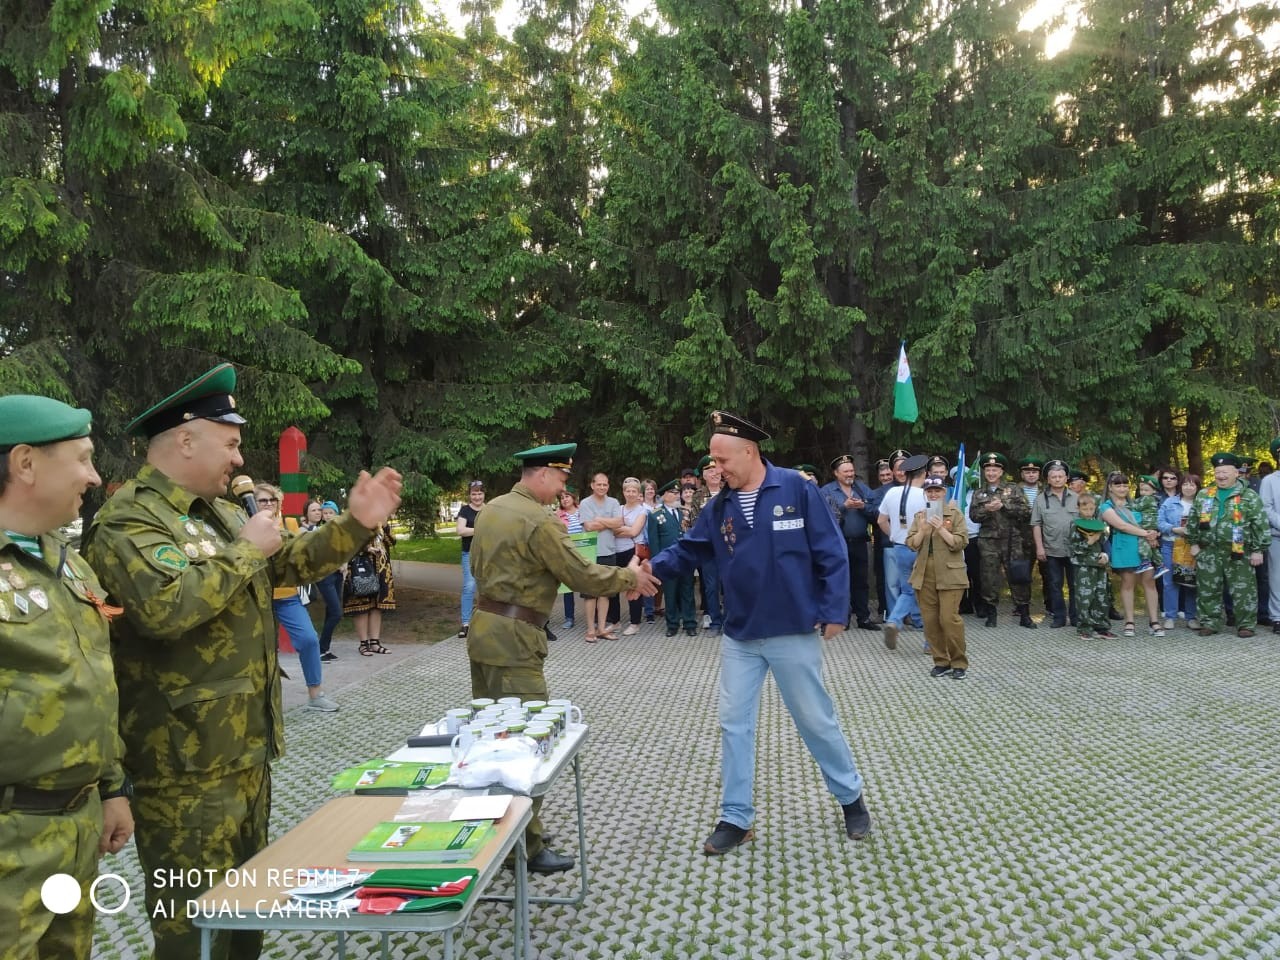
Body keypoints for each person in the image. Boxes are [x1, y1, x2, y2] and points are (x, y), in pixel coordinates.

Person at [84, 362, 402, 960]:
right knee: (191, 927)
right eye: (229, 444)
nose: (238, 459)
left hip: (244, 752)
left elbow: (289, 561)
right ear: (185, 440)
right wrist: (244, 552)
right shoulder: (130, 520)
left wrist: (356, 523)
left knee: (245, 913)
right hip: (183, 767)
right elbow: (163, 610)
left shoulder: (220, 512)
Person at [647, 411, 871, 854]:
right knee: (734, 724)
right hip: (741, 635)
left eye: (722, 460)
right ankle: (736, 817)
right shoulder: (719, 507)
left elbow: (831, 550)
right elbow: (688, 550)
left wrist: (835, 610)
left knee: (815, 720)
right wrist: (645, 572)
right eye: (712, 461)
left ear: (749, 452)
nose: (715, 469)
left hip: (791, 630)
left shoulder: (796, 488)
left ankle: (851, 799)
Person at [467, 443, 659, 872]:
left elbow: (478, 569)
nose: (561, 490)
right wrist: (630, 576)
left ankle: (509, 828)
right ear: (540, 474)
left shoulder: (492, 509)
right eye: (559, 479)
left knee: (492, 737)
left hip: (484, 630)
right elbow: (581, 574)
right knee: (524, 742)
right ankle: (525, 849)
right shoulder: (538, 521)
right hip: (515, 639)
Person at [0, 394, 134, 960]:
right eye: (82, 458)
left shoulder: (66, 560)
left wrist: (110, 789)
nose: (94, 476)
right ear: (26, 463)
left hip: (76, 830)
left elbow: (92, 681)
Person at [256, 482, 339, 712]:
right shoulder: (243, 526)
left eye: (273, 500)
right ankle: (261, 703)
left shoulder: (289, 524)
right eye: (263, 500)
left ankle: (316, 695)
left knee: (309, 639)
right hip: (257, 597)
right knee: (261, 649)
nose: (268, 504)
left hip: (287, 596)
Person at [1185, 452, 1269, 638]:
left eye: (1225, 472)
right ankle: (1209, 622)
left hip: (1239, 551)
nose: (1221, 476)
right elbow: (1193, 520)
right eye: (1218, 472)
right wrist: (1193, 543)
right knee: (1207, 588)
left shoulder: (1249, 496)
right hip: (1208, 550)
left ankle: (1245, 624)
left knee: (1243, 589)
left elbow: (1260, 524)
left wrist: (1258, 550)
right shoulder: (1204, 494)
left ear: (1236, 473)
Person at [906, 476, 970, 678]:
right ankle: (941, 661)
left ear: (944, 492)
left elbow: (960, 543)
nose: (933, 494)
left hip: (950, 574)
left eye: (937, 490)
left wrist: (941, 529)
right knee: (930, 621)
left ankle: (959, 663)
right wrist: (923, 531)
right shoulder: (920, 516)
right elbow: (911, 544)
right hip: (925, 574)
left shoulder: (954, 514)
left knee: (949, 619)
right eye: (930, 491)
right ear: (925, 493)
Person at [970, 452, 1035, 628]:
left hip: (1012, 540)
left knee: (1018, 576)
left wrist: (1004, 506)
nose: (991, 473)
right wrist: (987, 509)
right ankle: (991, 614)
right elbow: (973, 516)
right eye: (988, 470)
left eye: (995, 470)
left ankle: (1024, 614)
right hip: (988, 542)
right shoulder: (979, 493)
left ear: (1001, 472)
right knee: (989, 578)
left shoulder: (1013, 489)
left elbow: (1025, 512)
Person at [1098, 472, 1164, 638]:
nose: (1122, 488)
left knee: (1149, 583)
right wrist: (1147, 534)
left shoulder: (1136, 503)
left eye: (1125, 485)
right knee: (1128, 583)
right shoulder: (1106, 507)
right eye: (1118, 485)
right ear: (1110, 487)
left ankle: (1154, 621)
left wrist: (1154, 532)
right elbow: (1122, 526)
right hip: (1124, 548)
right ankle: (1129, 622)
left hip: (1144, 547)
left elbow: (1151, 519)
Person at [878, 454, 929, 649]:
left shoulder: (892, 492)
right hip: (922, 549)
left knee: (907, 591)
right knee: (928, 594)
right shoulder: (926, 495)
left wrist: (893, 535)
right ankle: (930, 642)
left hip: (900, 547)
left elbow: (881, 520)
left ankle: (894, 620)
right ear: (924, 474)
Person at [821, 454, 877, 629]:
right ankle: (841, 619)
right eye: (845, 471)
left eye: (851, 470)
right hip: (838, 544)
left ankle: (863, 618)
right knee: (840, 582)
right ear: (836, 473)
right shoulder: (827, 491)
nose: (850, 474)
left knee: (861, 582)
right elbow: (823, 516)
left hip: (859, 542)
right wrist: (844, 506)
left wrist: (863, 507)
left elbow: (877, 511)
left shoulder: (862, 488)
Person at [1031, 459, 1079, 628]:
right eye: (1054, 477)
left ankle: (1075, 617)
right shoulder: (1040, 500)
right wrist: (1039, 548)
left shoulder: (1077, 498)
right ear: (1048, 479)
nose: (1057, 479)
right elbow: (1036, 524)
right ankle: (1059, 617)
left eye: (1060, 476)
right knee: (1054, 585)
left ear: (1066, 478)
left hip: (1074, 549)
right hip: (1051, 549)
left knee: (1075, 584)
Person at [647, 479, 697, 636]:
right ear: (664, 495)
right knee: (670, 593)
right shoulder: (655, 515)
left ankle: (690, 623)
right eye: (672, 493)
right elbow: (654, 541)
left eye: (677, 493)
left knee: (687, 591)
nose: (676, 496)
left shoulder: (684, 512)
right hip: (668, 561)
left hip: (685, 559)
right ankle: (672, 624)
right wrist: (657, 563)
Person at [578, 472, 623, 641]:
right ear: (592, 485)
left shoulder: (614, 502)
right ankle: (591, 630)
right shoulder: (585, 503)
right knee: (590, 594)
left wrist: (599, 520)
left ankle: (602, 628)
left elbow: (619, 523)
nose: (602, 487)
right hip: (590, 554)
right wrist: (608, 522)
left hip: (609, 552)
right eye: (599, 484)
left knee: (605, 593)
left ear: (608, 486)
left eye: (605, 484)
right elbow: (589, 527)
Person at [1069, 497, 1116, 639]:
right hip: (1084, 567)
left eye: (1091, 509)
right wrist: (1089, 542)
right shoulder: (1075, 525)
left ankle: (1102, 627)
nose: (1088, 512)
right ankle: (1085, 628)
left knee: (1101, 596)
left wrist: (1105, 555)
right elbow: (1074, 548)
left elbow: (1104, 543)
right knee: (1085, 597)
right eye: (1085, 509)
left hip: (1099, 565)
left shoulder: (1099, 524)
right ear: (1078, 508)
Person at [1159, 472, 1201, 629]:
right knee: (1169, 582)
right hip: (1171, 545)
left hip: (1193, 547)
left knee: (1190, 582)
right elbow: (1160, 522)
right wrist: (1174, 529)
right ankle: (1170, 616)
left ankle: (1191, 617)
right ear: (1180, 486)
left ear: (1197, 487)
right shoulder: (1170, 502)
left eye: (1192, 484)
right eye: (1185, 484)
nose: (1188, 487)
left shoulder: (1202, 503)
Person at [690, 455, 725, 634]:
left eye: (716, 469)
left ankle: (731, 620)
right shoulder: (698, 496)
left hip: (729, 548)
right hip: (709, 548)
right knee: (711, 587)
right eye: (710, 470)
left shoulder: (730, 490)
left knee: (730, 585)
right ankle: (715, 622)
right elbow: (695, 522)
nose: (714, 473)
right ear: (703, 475)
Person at [312, 499, 345, 661]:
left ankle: (324, 649)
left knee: (331, 611)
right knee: (337, 613)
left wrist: (344, 563)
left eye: (331, 513)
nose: (328, 515)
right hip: (325, 576)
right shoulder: (320, 531)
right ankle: (319, 648)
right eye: (325, 513)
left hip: (337, 574)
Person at [616, 477, 649, 635]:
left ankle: (635, 622)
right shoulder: (618, 509)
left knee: (633, 585)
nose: (630, 493)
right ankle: (614, 621)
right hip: (617, 550)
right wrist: (625, 529)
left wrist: (621, 528)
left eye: (633, 491)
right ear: (623, 492)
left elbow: (634, 531)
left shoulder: (642, 511)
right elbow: (611, 530)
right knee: (614, 585)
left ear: (638, 493)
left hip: (634, 551)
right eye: (627, 490)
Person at [456, 480, 485, 638]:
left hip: (487, 554)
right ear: (469, 495)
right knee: (469, 586)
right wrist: (480, 529)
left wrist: (472, 530)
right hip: (469, 554)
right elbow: (461, 530)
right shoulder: (465, 510)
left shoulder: (489, 509)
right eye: (474, 494)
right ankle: (466, 623)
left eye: (479, 493)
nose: (477, 497)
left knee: (487, 587)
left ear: (484, 494)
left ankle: (486, 622)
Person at [1259, 439, 1280, 633]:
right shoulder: (1269, 481)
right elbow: (1266, 508)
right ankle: (1278, 617)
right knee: (1276, 578)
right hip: (1277, 536)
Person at [555, 488, 582, 629]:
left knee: (588, 583)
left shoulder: (582, 511)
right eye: (562, 498)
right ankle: (569, 617)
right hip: (567, 554)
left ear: (573, 497)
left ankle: (594, 616)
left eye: (567, 496)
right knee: (567, 587)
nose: (564, 499)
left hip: (584, 553)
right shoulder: (558, 515)